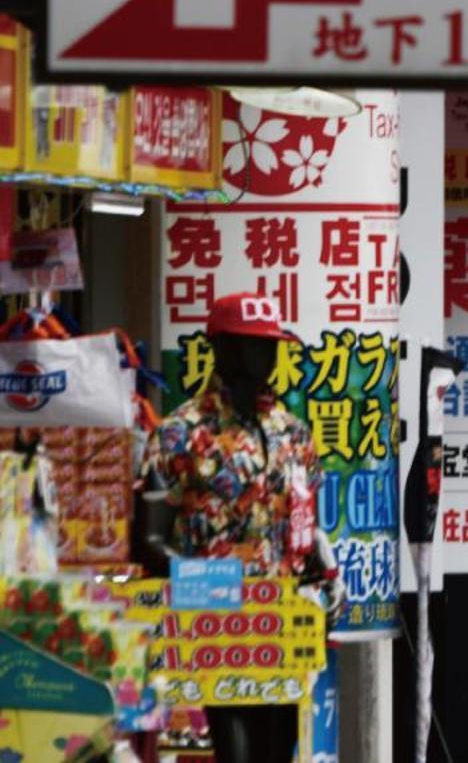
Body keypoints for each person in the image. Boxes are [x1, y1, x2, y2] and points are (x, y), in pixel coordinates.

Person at [140, 293, 339, 763]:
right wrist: (200, 587)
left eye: (272, 346)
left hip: (284, 618)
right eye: (253, 345)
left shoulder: (293, 433)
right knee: (237, 748)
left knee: (278, 746)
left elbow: (306, 522)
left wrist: (328, 577)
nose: (266, 357)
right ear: (222, 348)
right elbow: (149, 539)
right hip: (217, 625)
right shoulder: (180, 433)